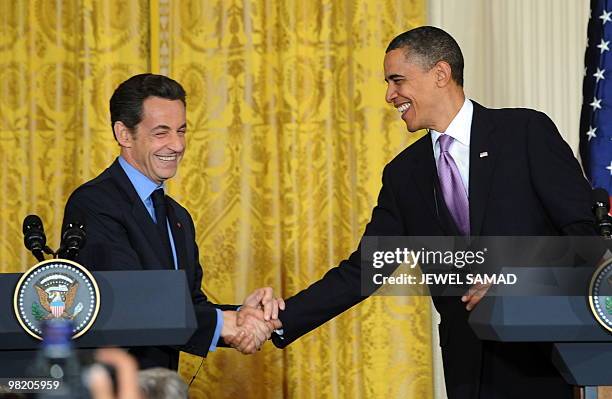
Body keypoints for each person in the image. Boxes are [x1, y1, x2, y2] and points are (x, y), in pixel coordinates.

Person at [267, 26, 597, 399]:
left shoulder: (523, 132)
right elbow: (363, 270)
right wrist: (277, 320)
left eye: (397, 80)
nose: (390, 95)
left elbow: (585, 237)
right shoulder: (403, 174)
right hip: (467, 373)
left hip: (541, 364)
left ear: (440, 74)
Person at [62, 74, 281, 370]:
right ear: (124, 134)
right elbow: (128, 302)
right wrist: (223, 323)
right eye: (161, 132)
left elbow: (188, 305)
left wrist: (242, 315)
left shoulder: (178, 217)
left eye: (181, 130)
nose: (177, 145)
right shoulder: (94, 203)